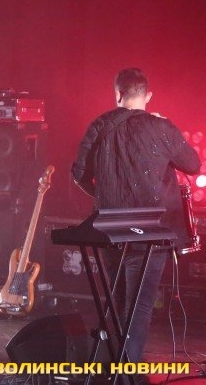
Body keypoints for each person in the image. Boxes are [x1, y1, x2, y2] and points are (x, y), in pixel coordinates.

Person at [71, 68, 201, 364]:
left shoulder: (100, 125)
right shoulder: (161, 127)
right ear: (148, 96)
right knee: (139, 307)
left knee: (117, 302)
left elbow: (78, 174)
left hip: (110, 229)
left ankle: (113, 368)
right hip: (152, 232)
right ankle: (126, 372)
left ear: (118, 94)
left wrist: (103, 198)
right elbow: (193, 165)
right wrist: (165, 128)